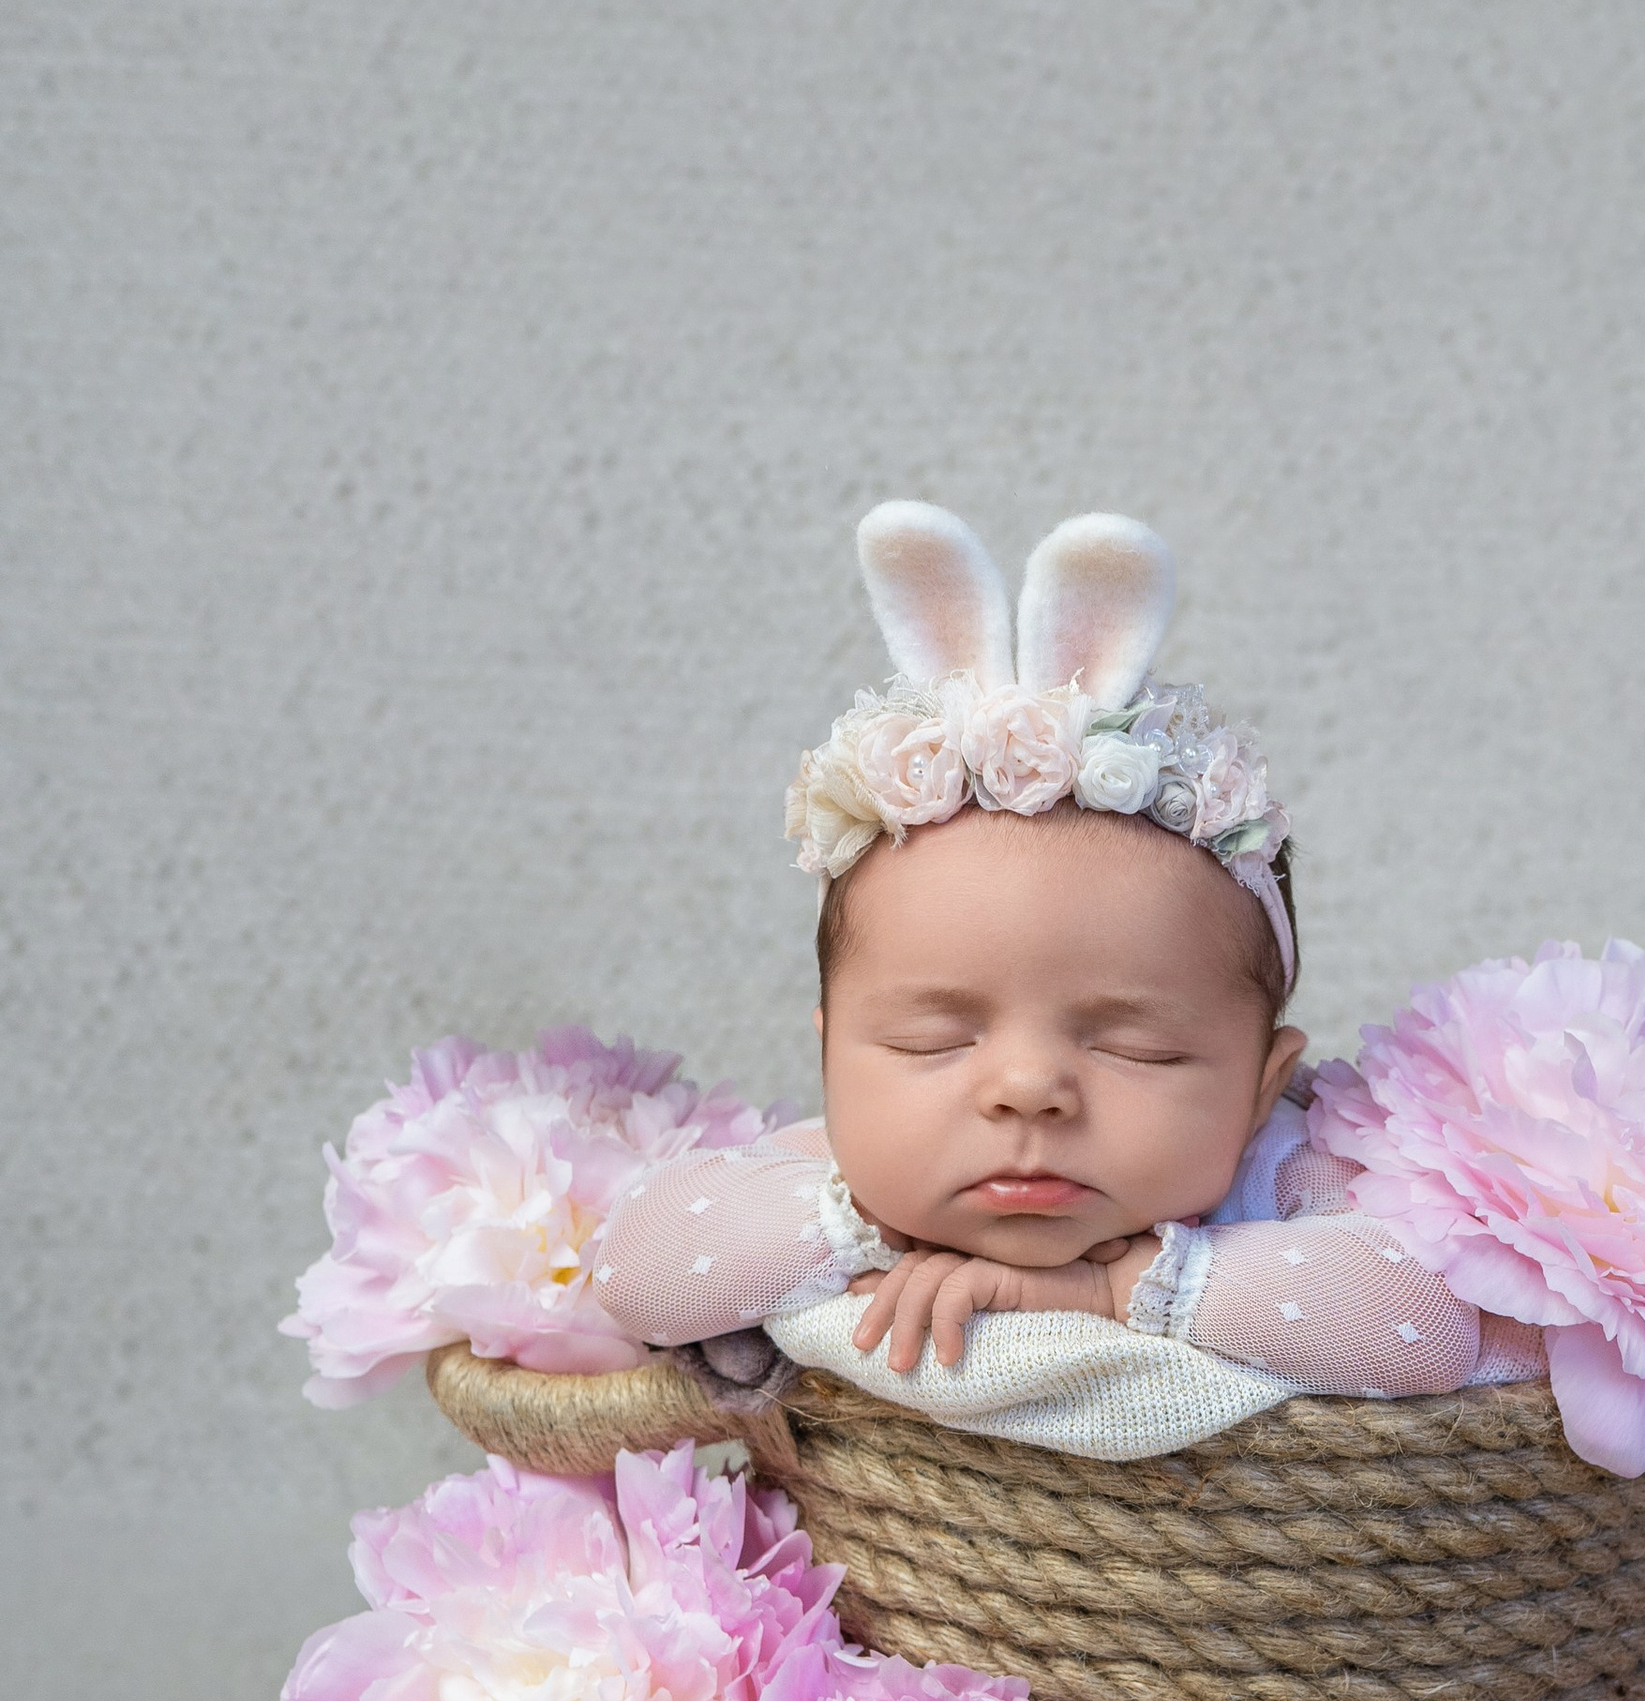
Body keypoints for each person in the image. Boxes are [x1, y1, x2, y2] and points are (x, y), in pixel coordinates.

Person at [591, 503, 1542, 1419]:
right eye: (930, 1042)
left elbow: (1432, 1324)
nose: (1027, 1090)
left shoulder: (1281, 1173)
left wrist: (1116, 1288)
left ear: (1261, 1085)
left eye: (1136, 1048)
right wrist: (859, 1232)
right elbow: (633, 1271)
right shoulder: (848, 1177)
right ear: (833, 1057)